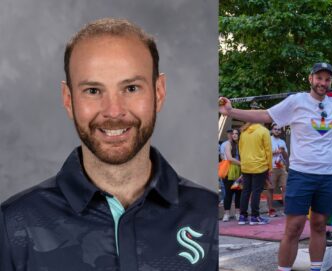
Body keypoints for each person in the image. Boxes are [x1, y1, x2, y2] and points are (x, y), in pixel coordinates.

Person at [0, 18, 217, 271]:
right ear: (68, 99)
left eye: (131, 88)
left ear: (158, 92)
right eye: (93, 90)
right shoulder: (12, 225)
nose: (113, 111)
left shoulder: (208, 215)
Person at [219, 62, 332, 271]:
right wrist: (230, 111)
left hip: (329, 176)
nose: (323, 83)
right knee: (293, 228)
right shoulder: (296, 102)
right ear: (311, 79)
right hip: (301, 176)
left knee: (319, 225)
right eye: (319, 78)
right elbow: (265, 116)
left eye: (327, 79)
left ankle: (316, 268)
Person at [238, 122, 272, 225]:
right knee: (256, 191)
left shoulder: (243, 132)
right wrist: (270, 167)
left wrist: (243, 163)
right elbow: (268, 150)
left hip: (246, 165)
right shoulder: (264, 131)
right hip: (259, 165)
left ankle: (242, 216)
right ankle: (255, 216)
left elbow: (240, 149)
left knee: (245, 191)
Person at [266, 123, 289, 217]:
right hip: (271, 168)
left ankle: (286, 210)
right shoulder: (267, 140)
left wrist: (283, 152)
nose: (277, 131)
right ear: (272, 130)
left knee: (285, 188)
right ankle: (270, 210)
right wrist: (274, 152)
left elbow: (286, 156)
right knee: (270, 189)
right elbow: (263, 154)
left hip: (282, 167)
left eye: (279, 129)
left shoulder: (282, 142)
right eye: (275, 129)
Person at [222, 129, 242, 221]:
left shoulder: (241, 144)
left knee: (239, 193)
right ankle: (226, 214)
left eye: (236, 133)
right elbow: (229, 158)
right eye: (233, 133)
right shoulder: (227, 144)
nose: (234, 135)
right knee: (228, 193)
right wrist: (242, 163)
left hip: (240, 171)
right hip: (229, 170)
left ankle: (238, 213)